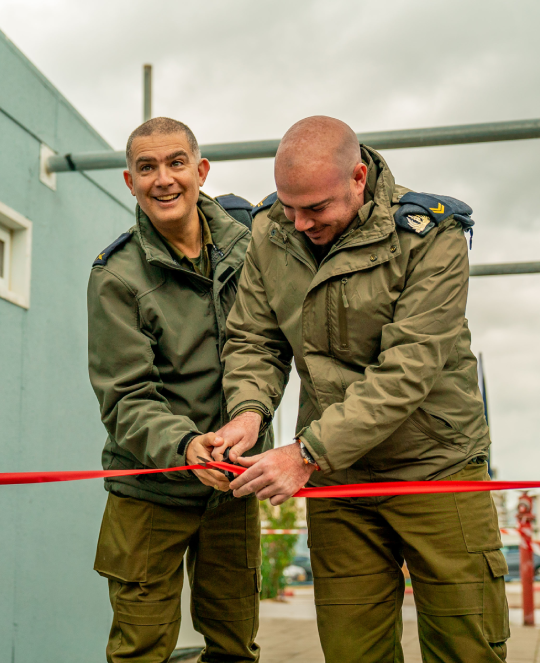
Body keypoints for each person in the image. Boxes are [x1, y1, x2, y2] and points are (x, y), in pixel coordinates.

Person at [214, 116, 509, 662]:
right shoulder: (268, 231)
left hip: (434, 467)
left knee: (467, 648)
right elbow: (254, 338)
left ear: (357, 177)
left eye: (316, 208)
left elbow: (408, 371)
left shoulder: (431, 237)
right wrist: (249, 414)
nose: (299, 223)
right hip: (340, 482)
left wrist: (307, 453)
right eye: (288, 206)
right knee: (353, 653)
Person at [87, 117, 268, 663]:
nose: (162, 179)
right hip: (149, 492)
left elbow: (268, 351)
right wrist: (187, 447)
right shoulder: (115, 276)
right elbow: (126, 398)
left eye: (175, 163)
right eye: (146, 168)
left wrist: (246, 430)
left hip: (233, 488)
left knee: (236, 649)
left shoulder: (253, 249)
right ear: (129, 181)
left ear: (200, 170)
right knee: (140, 651)